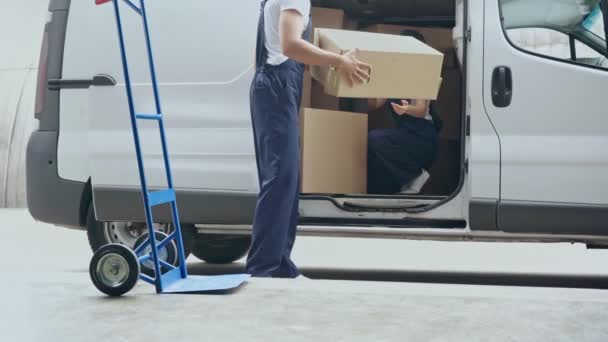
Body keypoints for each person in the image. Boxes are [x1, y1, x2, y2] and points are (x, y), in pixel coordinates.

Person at [247, 0, 370, 279]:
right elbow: (290, 45)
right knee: (280, 178)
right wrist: (339, 61)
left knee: (285, 179)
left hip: (273, 86)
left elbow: (268, 53)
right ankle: (264, 267)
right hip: (276, 86)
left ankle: (279, 264)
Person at [367, 30, 442, 195]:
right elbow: (375, 103)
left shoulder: (422, 72)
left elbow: (421, 110)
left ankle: (416, 176)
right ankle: (402, 184)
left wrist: (406, 109)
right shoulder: (393, 74)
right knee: (373, 150)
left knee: (375, 138)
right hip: (404, 136)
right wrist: (371, 78)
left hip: (422, 138)